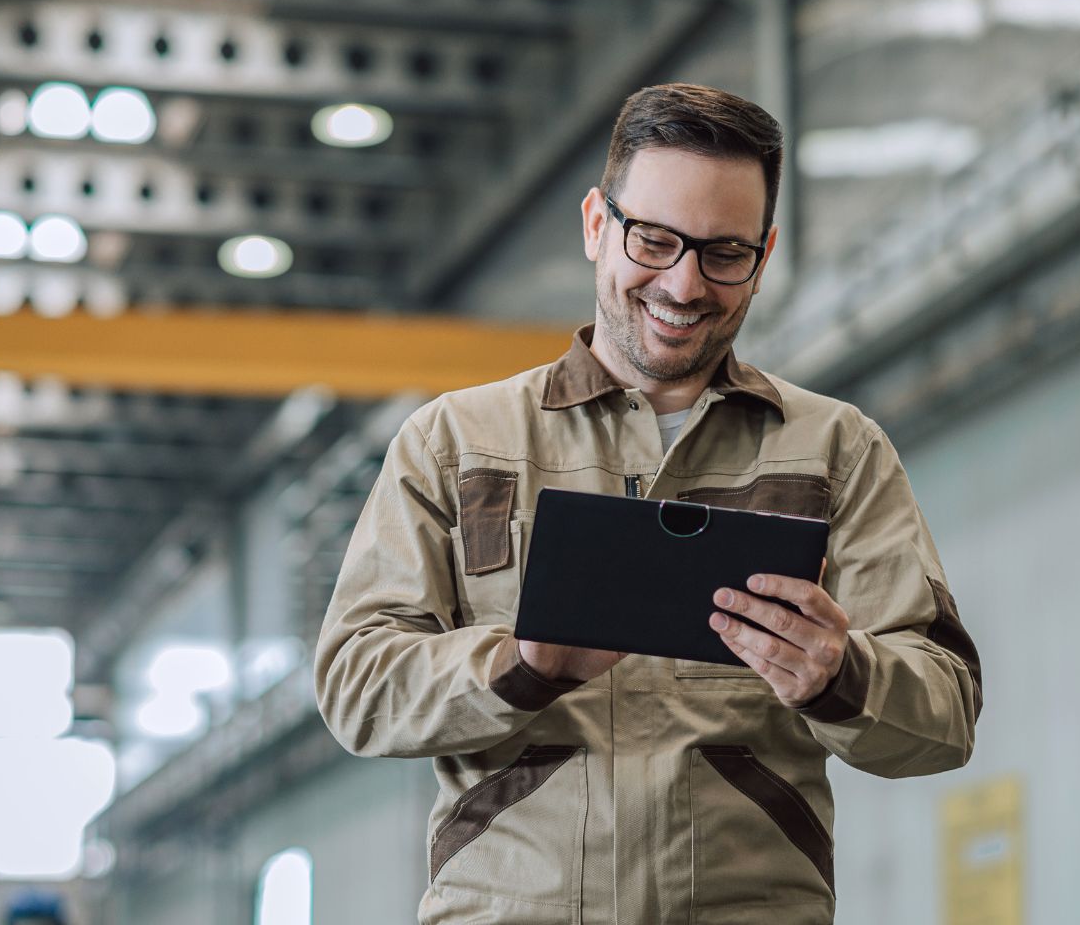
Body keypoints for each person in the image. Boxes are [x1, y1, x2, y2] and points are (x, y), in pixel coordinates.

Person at [313, 83, 983, 924]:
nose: (685, 283)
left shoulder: (836, 452)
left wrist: (840, 676)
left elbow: (946, 713)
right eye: (655, 240)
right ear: (598, 224)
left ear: (764, 255)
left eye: (724, 253)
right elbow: (356, 686)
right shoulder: (454, 444)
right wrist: (522, 665)